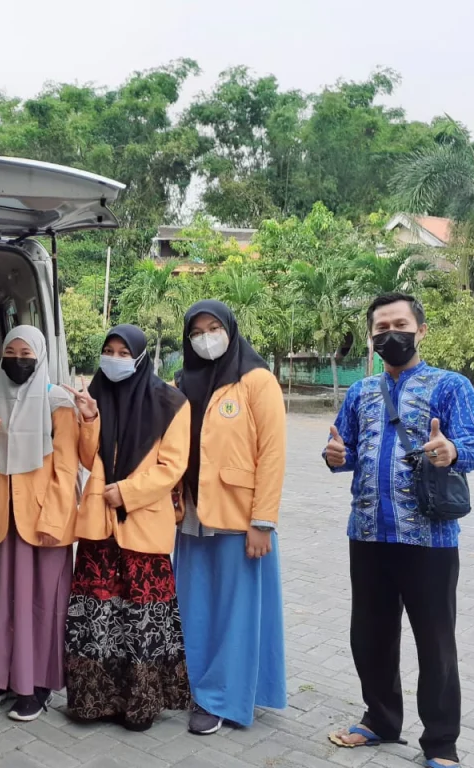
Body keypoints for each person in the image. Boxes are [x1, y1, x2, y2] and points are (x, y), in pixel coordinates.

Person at [324, 293, 474, 768]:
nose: (390, 334)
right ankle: (380, 720)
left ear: (420, 331)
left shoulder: (450, 386)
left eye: (400, 324)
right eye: (381, 329)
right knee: (370, 635)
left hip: (430, 541)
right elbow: (345, 448)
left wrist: (452, 451)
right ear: (373, 338)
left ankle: (441, 744)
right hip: (369, 533)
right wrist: (336, 457)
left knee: (435, 641)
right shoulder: (360, 392)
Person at [64, 325, 192, 732]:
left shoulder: (171, 402)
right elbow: (87, 458)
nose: (115, 358)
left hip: (143, 525)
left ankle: (140, 706)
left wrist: (129, 492)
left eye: (123, 352)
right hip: (99, 528)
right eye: (109, 350)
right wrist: (88, 418)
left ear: (139, 358)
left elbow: (173, 466)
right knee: (97, 616)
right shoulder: (95, 397)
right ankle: (93, 702)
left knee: (142, 618)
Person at [174, 299, 287, 735]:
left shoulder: (257, 380)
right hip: (192, 516)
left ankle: (223, 697)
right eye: (196, 331)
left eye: (213, 327)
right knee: (194, 605)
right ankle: (196, 684)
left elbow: (272, 454)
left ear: (230, 328)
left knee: (235, 610)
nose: (205, 337)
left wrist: (263, 521)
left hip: (240, 520)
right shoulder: (182, 381)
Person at [0, 325, 80, 722]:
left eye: (25, 352)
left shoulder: (57, 402)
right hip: (6, 517)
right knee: (7, 602)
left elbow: (67, 469)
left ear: (40, 356)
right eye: (10, 351)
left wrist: (54, 517)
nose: (17, 359)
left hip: (45, 521)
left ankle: (38, 686)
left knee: (43, 605)